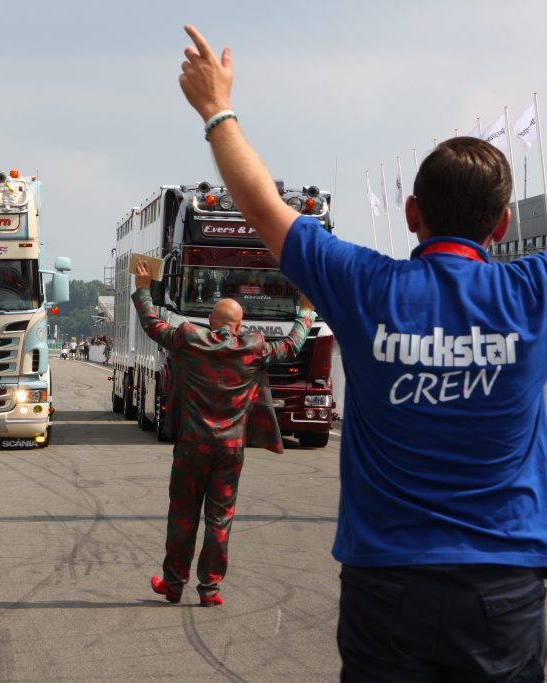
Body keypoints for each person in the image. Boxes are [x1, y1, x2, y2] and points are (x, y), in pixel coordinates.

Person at [179, 24, 547, 680]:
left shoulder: (364, 285)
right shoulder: (532, 291)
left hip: (387, 584)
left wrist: (217, 109)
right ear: (502, 225)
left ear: (411, 213)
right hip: (503, 583)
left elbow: (263, 205)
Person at [133, 259, 316, 605]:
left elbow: (152, 325)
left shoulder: (189, 339)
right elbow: (292, 345)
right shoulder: (253, 348)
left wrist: (144, 288)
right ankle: (210, 590)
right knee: (219, 519)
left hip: (192, 446)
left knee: (183, 517)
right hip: (230, 449)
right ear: (239, 325)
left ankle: (173, 585)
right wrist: (305, 312)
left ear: (211, 322)